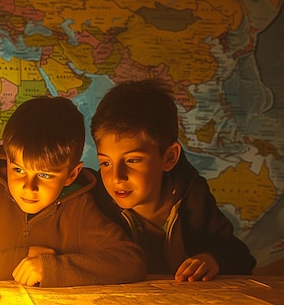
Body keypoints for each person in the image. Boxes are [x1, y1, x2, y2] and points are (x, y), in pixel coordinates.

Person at [0, 96, 146, 287]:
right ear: (7, 160)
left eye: (45, 175)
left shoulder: (78, 208)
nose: (28, 186)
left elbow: (130, 261)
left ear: (72, 175)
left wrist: (52, 269)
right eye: (18, 169)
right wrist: (19, 259)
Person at [90, 79, 256, 282]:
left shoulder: (192, 196)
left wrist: (212, 259)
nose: (117, 177)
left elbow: (240, 256)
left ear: (169, 158)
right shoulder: (92, 201)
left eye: (133, 160)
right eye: (105, 163)